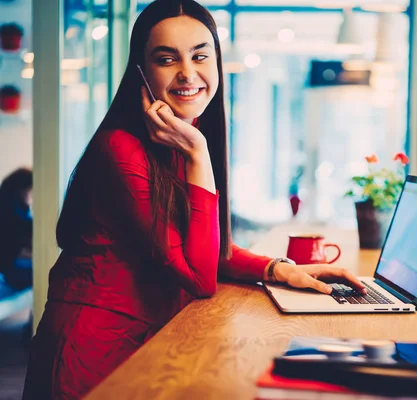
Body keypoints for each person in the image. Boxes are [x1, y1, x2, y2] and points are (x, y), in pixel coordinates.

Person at [22, 1, 366, 398]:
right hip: (91, 351)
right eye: (167, 59)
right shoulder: (123, 148)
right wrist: (199, 155)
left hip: (146, 338)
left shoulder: (180, 134)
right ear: (141, 72)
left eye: (200, 55)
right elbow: (199, 277)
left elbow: (203, 247)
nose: (188, 73)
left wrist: (280, 269)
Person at [0, 167, 33, 291]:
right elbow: (12, 249)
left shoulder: (12, 208)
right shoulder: (11, 213)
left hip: (10, 265)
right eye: (29, 192)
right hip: (10, 267)